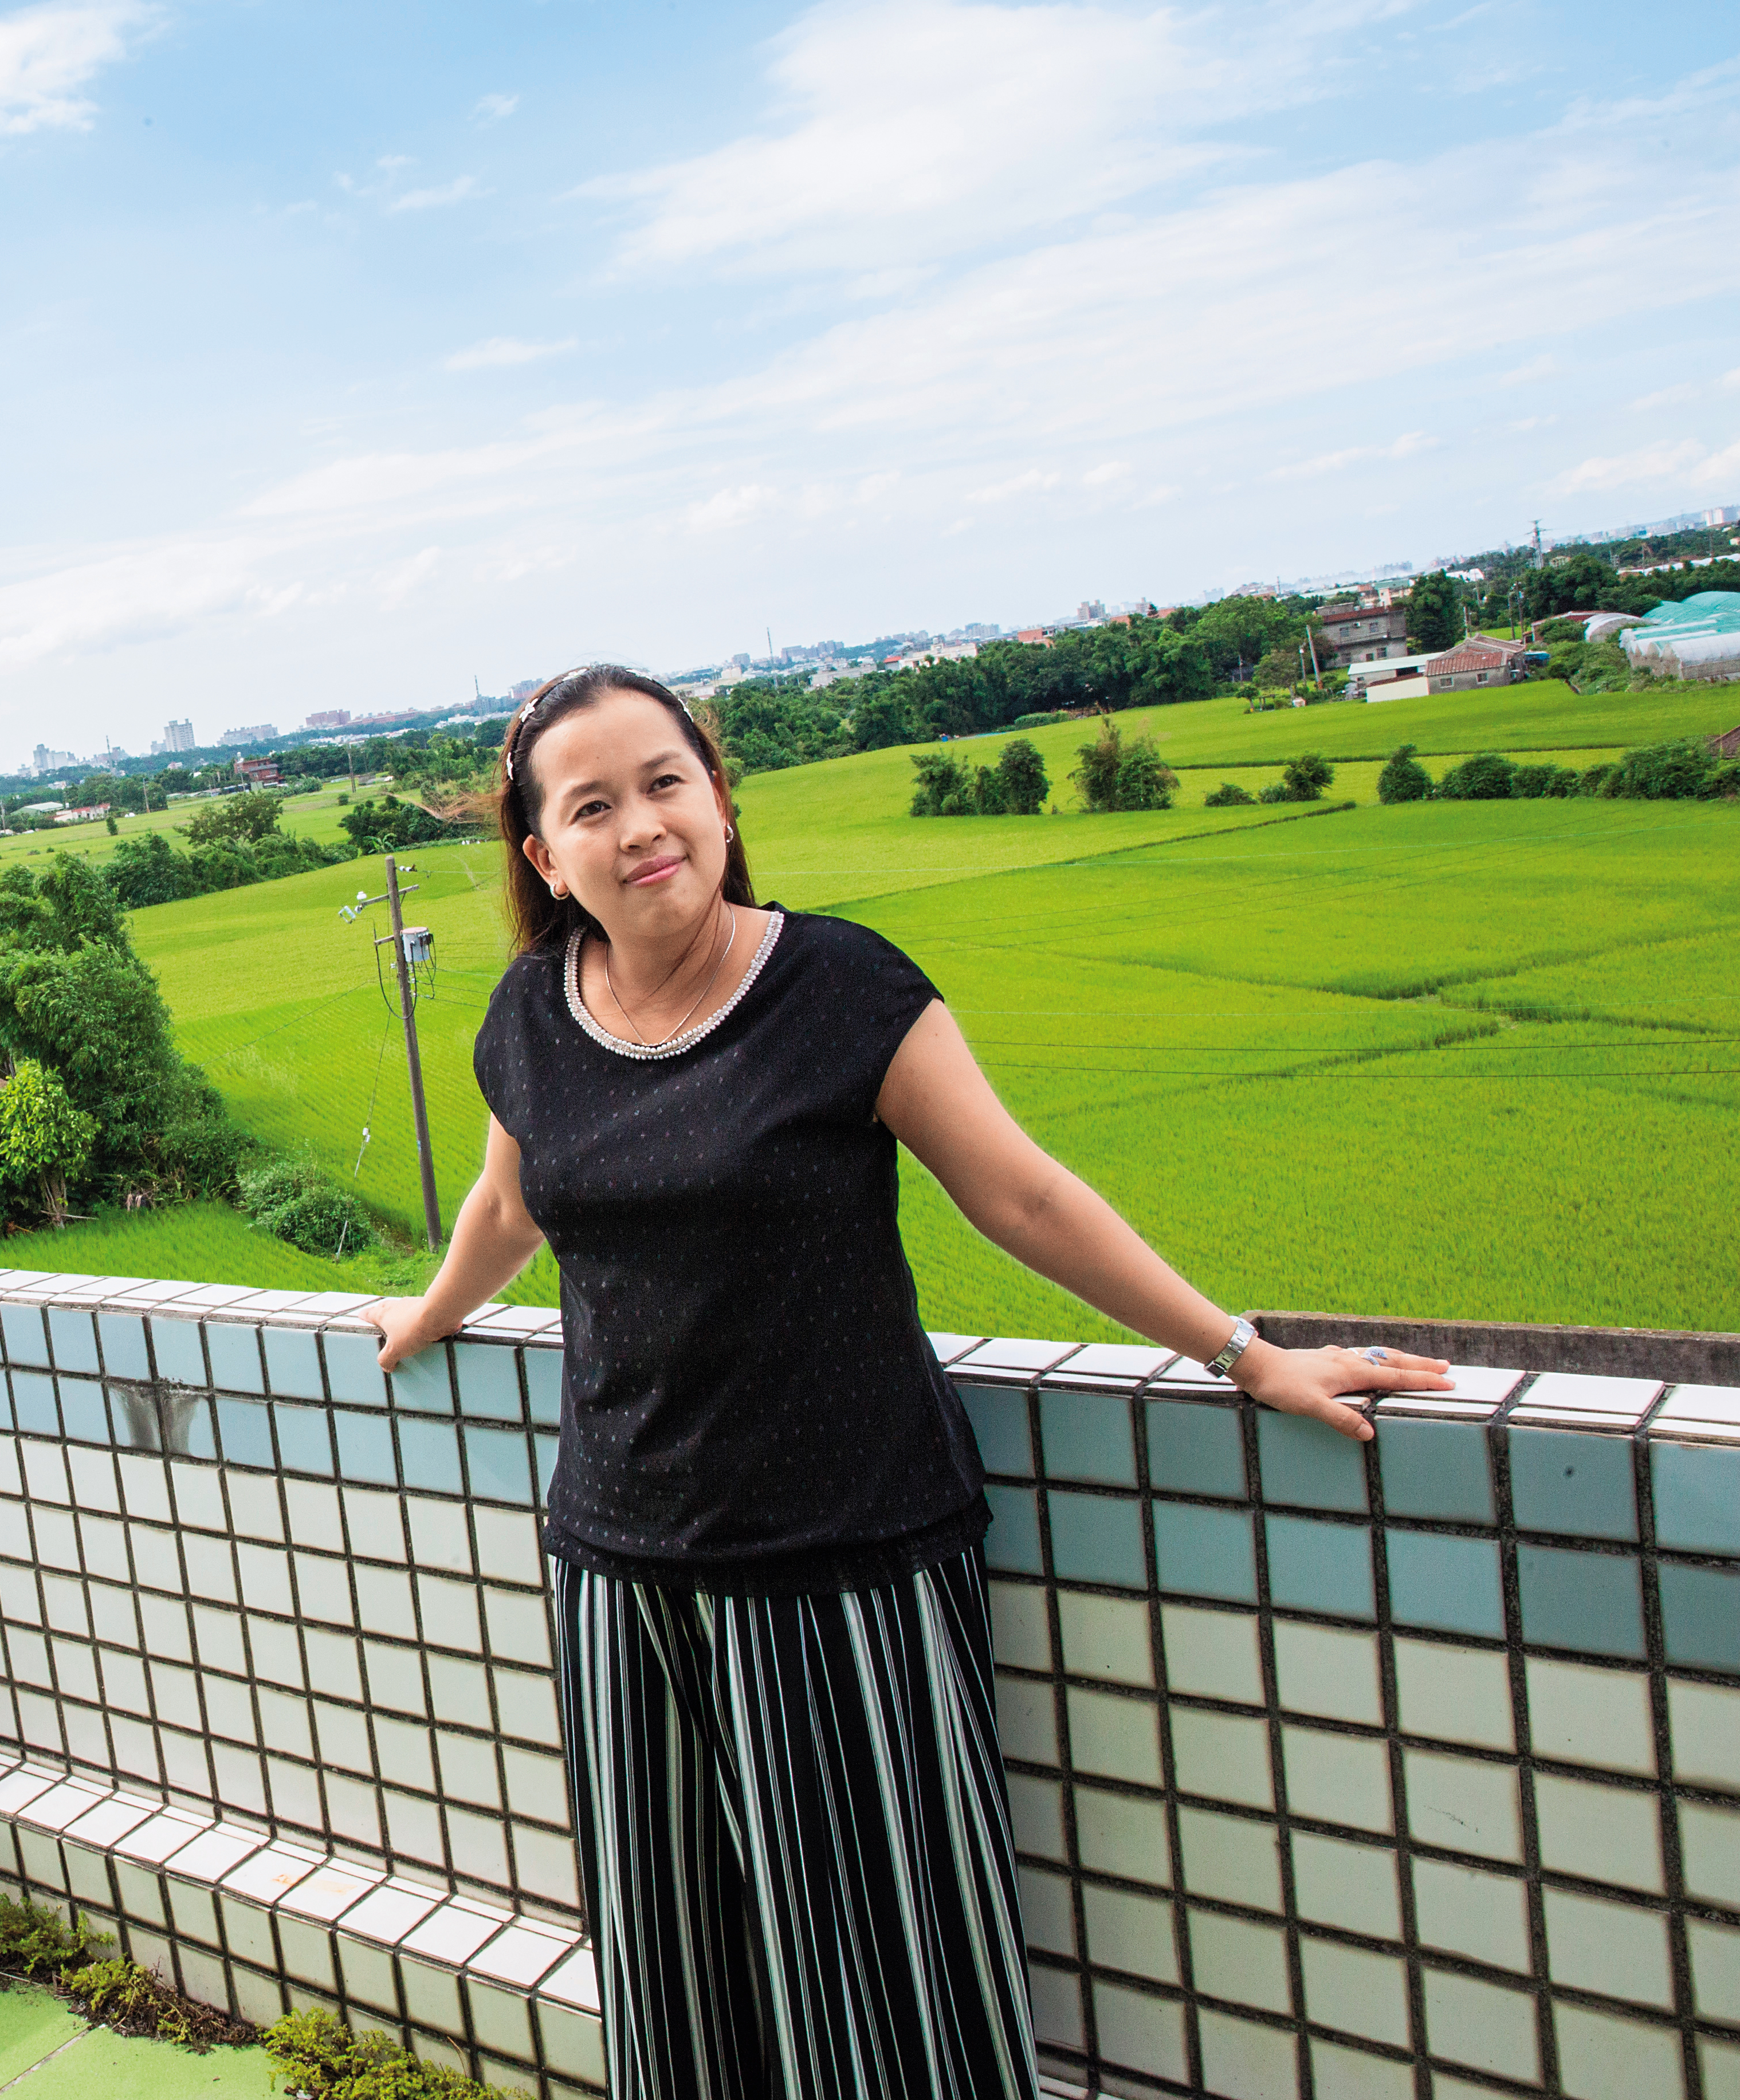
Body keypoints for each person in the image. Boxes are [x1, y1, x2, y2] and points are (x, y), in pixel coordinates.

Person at [359, 667, 1451, 2100]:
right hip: (618, 1568)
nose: (639, 825)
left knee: (886, 1994)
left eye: (665, 782)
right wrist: (429, 1312)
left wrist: (1240, 1354)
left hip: (842, 1561)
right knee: (678, 1976)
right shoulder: (529, 1013)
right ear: (542, 854)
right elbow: (510, 1206)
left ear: (720, 797)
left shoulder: (837, 986)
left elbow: (1022, 1199)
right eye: (592, 805)